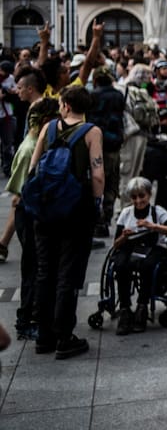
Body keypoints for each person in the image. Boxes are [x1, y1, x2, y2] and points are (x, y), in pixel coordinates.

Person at [29, 85, 104, 359]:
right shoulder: (92, 132)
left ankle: (43, 335)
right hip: (76, 209)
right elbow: (97, 174)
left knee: (45, 270)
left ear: (66, 105)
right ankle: (64, 336)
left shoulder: (48, 128)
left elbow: (33, 166)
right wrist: (98, 204)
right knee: (68, 272)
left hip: (45, 209)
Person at [7, 97, 59, 341]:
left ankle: (33, 315)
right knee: (32, 268)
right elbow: (19, 192)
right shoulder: (30, 149)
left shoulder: (35, 143)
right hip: (28, 214)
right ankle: (25, 319)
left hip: (30, 213)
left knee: (36, 267)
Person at [111, 176, 167, 335]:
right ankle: (125, 309)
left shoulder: (158, 212)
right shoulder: (126, 214)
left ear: (149, 194)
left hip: (153, 246)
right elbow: (116, 244)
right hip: (130, 246)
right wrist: (124, 236)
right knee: (120, 265)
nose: (138, 200)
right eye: (134, 197)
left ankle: (142, 306)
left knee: (147, 266)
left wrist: (153, 226)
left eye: (142, 196)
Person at [88, 66, 126, 236]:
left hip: (97, 143)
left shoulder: (92, 96)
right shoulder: (118, 95)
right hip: (114, 143)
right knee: (112, 182)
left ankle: (97, 219)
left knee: (97, 181)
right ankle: (107, 217)